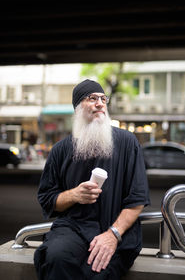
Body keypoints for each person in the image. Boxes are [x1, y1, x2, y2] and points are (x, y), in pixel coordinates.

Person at [34, 79, 150, 280]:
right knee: (56, 258)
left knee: (97, 272)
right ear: (78, 107)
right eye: (92, 98)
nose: (100, 103)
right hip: (73, 228)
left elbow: (137, 199)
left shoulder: (127, 142)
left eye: (103, 98)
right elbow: (48, 200)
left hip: (114, 229)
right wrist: (74, 195)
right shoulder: (61, 150)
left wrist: (113, 234)